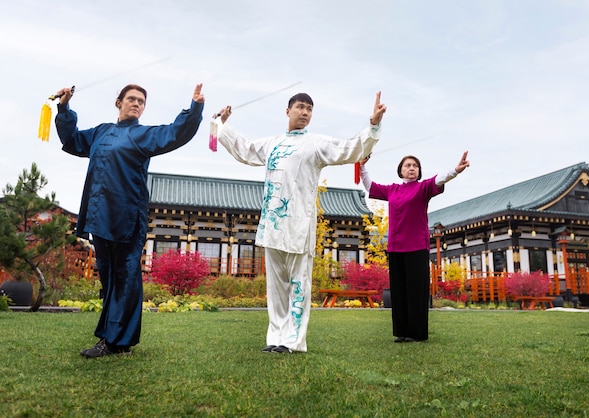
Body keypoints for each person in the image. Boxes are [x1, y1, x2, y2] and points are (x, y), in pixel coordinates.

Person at [212, 92, 387, 353]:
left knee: (298, 285)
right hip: (273, 224)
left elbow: (348, 149)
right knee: (276, 287)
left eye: (309, 109)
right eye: (300, 107)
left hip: (299, 225)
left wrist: (372, 125)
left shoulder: (316, 143)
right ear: (287, 111)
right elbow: (246, 149)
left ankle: (293, 341)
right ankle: (275, 338)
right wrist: (221, 125)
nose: (305, 113)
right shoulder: (272, 143)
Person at [55, 83, 205, 357]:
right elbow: (72, 140)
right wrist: (64, 107)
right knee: (110, 278)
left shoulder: (143, 135)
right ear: (119, 102)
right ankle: (115, 338)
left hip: (126, 216)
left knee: (125, 277)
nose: (136, 104)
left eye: (141, 101)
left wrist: (194, 108)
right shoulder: (101, 132)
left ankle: (116, 341)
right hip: (99, 215)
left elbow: (174, 133)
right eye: (131, 99)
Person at [359, 151, 469, 342]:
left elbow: (440, 179)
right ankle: (402, 332)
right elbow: (370, 186)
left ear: (418, 171)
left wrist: (456, 170)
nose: (411, 168)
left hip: (417, 247)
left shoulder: (423, 188)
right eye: (407, 165)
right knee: (399, 291)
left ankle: (416, 333)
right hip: (395, 247)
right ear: (400, 171)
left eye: (415, 166)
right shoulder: (392, 190)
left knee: (416, 291)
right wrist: (361, 166)